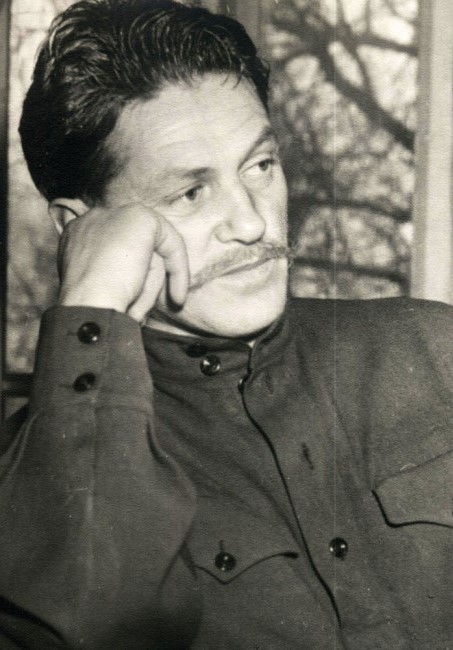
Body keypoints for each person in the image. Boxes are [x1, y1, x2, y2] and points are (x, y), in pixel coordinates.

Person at [0, 0, 452, 647]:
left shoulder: (433, 348)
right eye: (191, 192)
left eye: (260, 166)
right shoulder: (35, 472)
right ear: (83, 228)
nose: (252, 222)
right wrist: (91, 303)